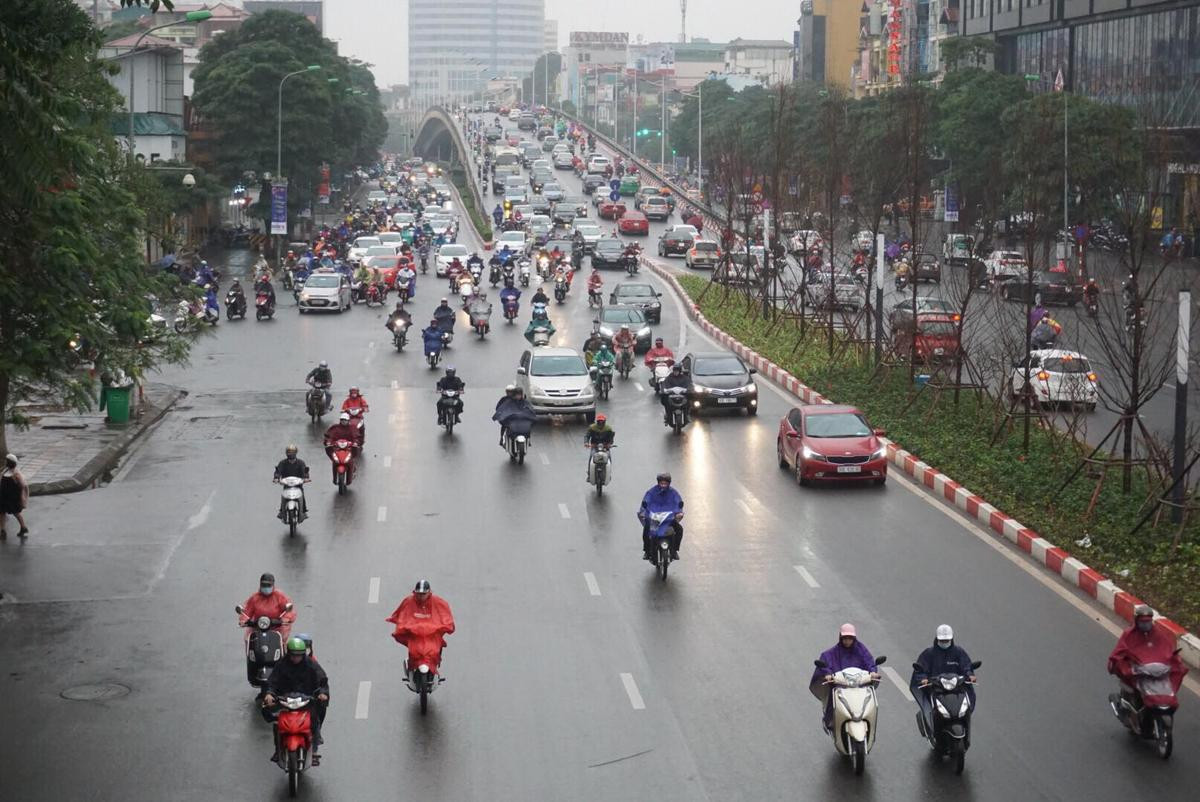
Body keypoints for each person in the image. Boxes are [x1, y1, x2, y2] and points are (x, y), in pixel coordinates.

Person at [1108, 604, 1189, 712]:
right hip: (1138, 670)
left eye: (1148, 622)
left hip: (1155, 670)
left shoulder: (1159, 634)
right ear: (1137, 621)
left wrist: (1172, 660)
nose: (1145, 624)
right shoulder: (1129, 634)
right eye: (1142, 622)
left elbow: (1167, 649)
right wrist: (1125, 664)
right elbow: (1119, 652)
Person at [263, 637, 330, 765]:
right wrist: (270, 694)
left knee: (314, 719)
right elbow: (272, 682)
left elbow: (322, 680)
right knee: (277, 723)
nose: (296, 658)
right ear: (289, 653)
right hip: (285, 698)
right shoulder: (281, 665)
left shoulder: (311, 664)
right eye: (293, 655)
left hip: (306, 698)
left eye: (299, 655)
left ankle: (314, 749)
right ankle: (278, 750)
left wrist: (322, 693)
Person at [910, 625, 977, 740]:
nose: (944, 642)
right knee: (931, 708)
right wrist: (923, 679)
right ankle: (933, 728)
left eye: (947, 640)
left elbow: (967, 666)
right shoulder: (929, 654)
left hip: (956, 690)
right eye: (942, 640)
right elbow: (920, 669)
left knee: (968, 701)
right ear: (937, 639)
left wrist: (970, 676)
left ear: (951, 639)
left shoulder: (958, 652)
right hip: (936, 690)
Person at [809, 624, 880, 731]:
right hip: (841, 685)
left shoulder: (861, 650)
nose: (847, 641)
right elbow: (826, 661)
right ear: (841, 638)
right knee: (833, 696)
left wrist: (873, 672)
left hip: (858, 684)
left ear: (854, 639)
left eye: (850, 638)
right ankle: (829, 720)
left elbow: (869, 662)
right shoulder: (834, 652)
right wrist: (828, 674)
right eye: (845, 638)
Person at [385, 580, 456, 676]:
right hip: (415, 634)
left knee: (434, 651)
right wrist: (405, 626)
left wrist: (445, 625)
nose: (421, 596)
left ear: (428, 592)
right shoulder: (409, 601)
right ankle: (411, 666)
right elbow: (403, 615)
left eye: (423, 594)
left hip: (432, 635)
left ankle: (434, 666)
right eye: (419, 594)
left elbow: (445, 615)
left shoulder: (438, 602)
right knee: (414, 651)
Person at [638, 472, 684, 561]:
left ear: (669, 483)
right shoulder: (651, 492)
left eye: (665, 483)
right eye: (661, 483)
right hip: (654, 519)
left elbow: (678, 503)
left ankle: (674, 551)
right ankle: (647, 551)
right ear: (658, 483)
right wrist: (643, 512)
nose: (663, 485)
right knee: (646, 530)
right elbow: (646, 501)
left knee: (679, 529)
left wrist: (679, 512)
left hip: (668, 519)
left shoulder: (673, 493)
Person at [238, 572, 296, 638]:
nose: (266, 587)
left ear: (273, 585)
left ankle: (282, 647)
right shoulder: (254, 598)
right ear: (260, 585)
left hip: (277, 628)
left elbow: (289, 610)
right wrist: (243, 620)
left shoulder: (279, 596)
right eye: (264, 585)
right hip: (258, 628)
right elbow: (246, 612)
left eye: (268, 585)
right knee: (248, 639)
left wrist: (285, 619)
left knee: (282, 640)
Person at [272, 445, 310, 519]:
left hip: (298, 485)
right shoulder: (282, 463)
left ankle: (304, 511)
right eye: (289, 452)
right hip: (287, 485)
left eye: (292, 452)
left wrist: (306, 478)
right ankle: (281, 511)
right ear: (286, 453)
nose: (291, 454)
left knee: (302, 494)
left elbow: (305, 471)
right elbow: (278, 471)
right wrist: (276, 478)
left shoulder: (300, 462)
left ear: (296, 453)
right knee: (284, 496)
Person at [0, 454, 29, 539]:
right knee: (1, 512)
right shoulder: (5, 471)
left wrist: (21, 496)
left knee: (16, 512)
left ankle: (23, 527)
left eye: (7, 461)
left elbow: (23, 485)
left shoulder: (16, 473)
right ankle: (2, 530)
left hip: (12, 498)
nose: (5, 462)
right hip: (3, 496)